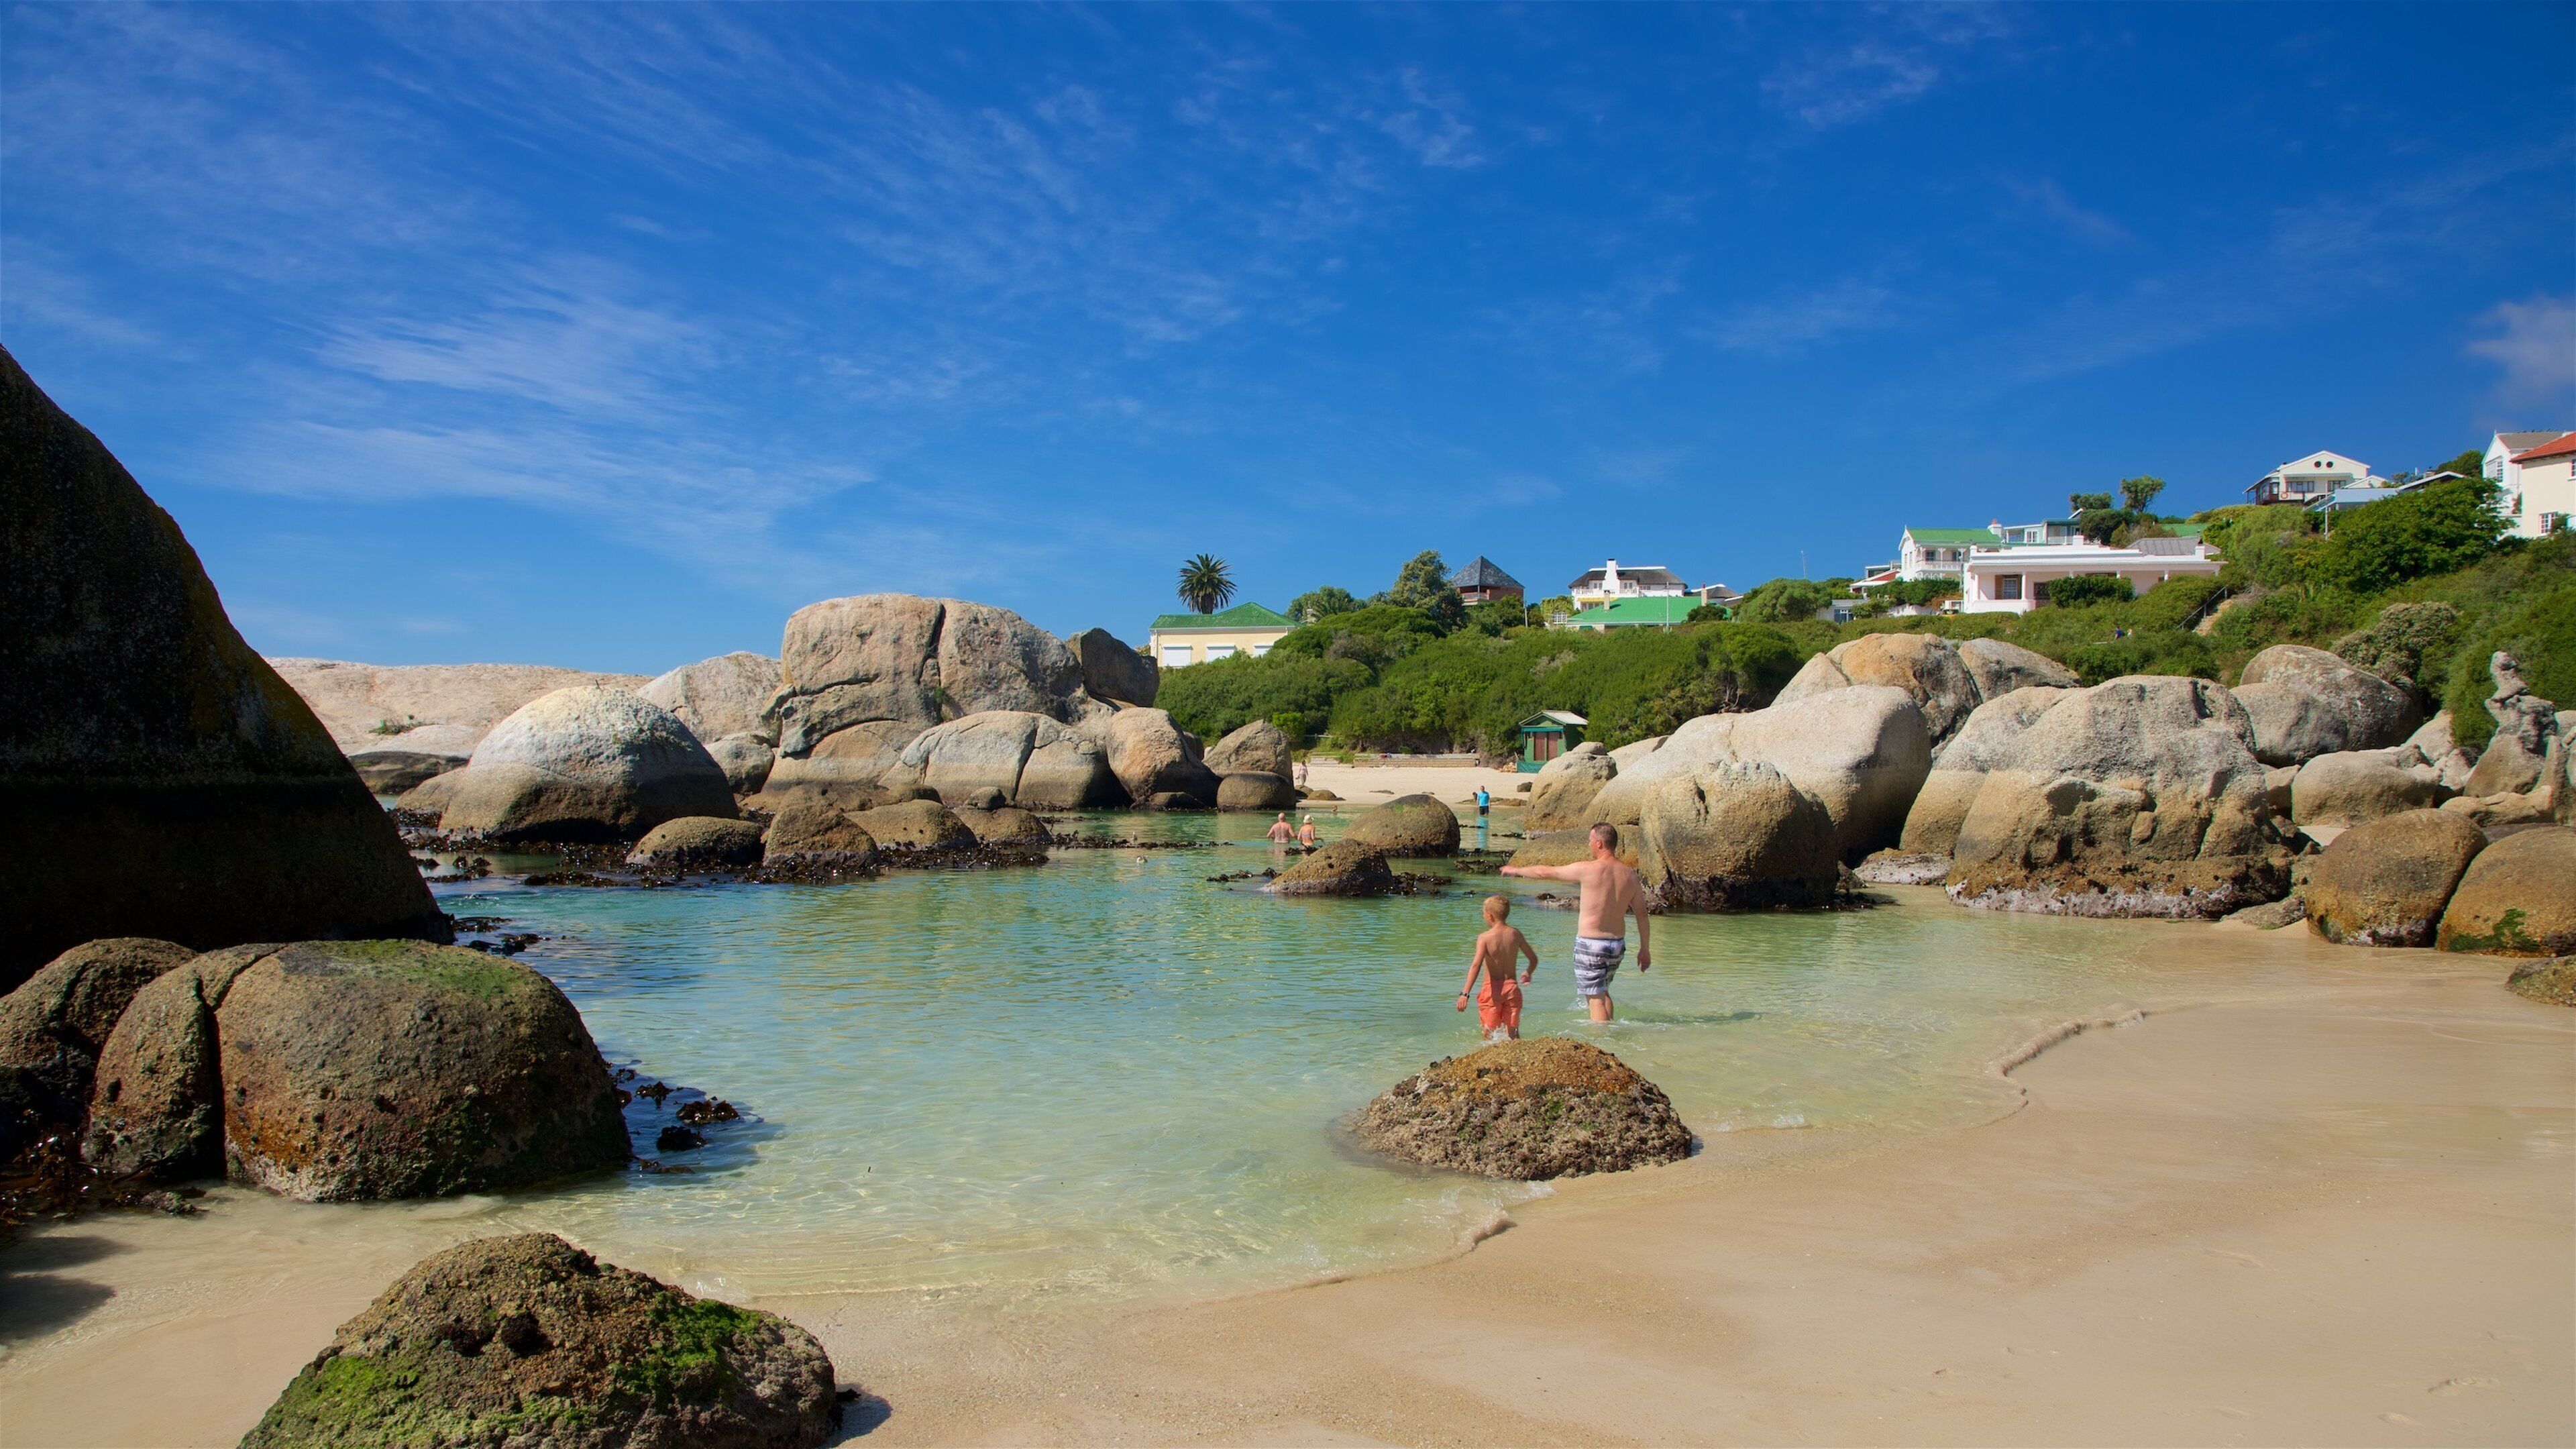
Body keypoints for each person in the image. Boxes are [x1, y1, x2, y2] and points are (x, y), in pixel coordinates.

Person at [1498, 821, 1650, 1022]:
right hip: (1616, 945)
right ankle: (1611, 1035)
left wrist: (1516, 870)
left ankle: (1602, 1042)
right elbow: (1641, 914)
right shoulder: (1630, 875)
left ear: (1599, 844)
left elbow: (1546, 872)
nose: (1589, 845)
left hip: (1591, 945)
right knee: (1603, 992)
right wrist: (1645, 949)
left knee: (1595, 999)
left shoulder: (1588, 869)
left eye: (1590, 841)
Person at [1456, 895, 1539, 1040]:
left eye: (1483, 914)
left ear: (1490, 916)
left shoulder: (1485, 937)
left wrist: (1465, 993)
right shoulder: (1515, 934)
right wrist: (1528, 972)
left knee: (1489, 1032)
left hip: (1492, 991)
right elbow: (1533, 959)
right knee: (1513, 1032)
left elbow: (1476, 965)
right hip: (1512, 989)